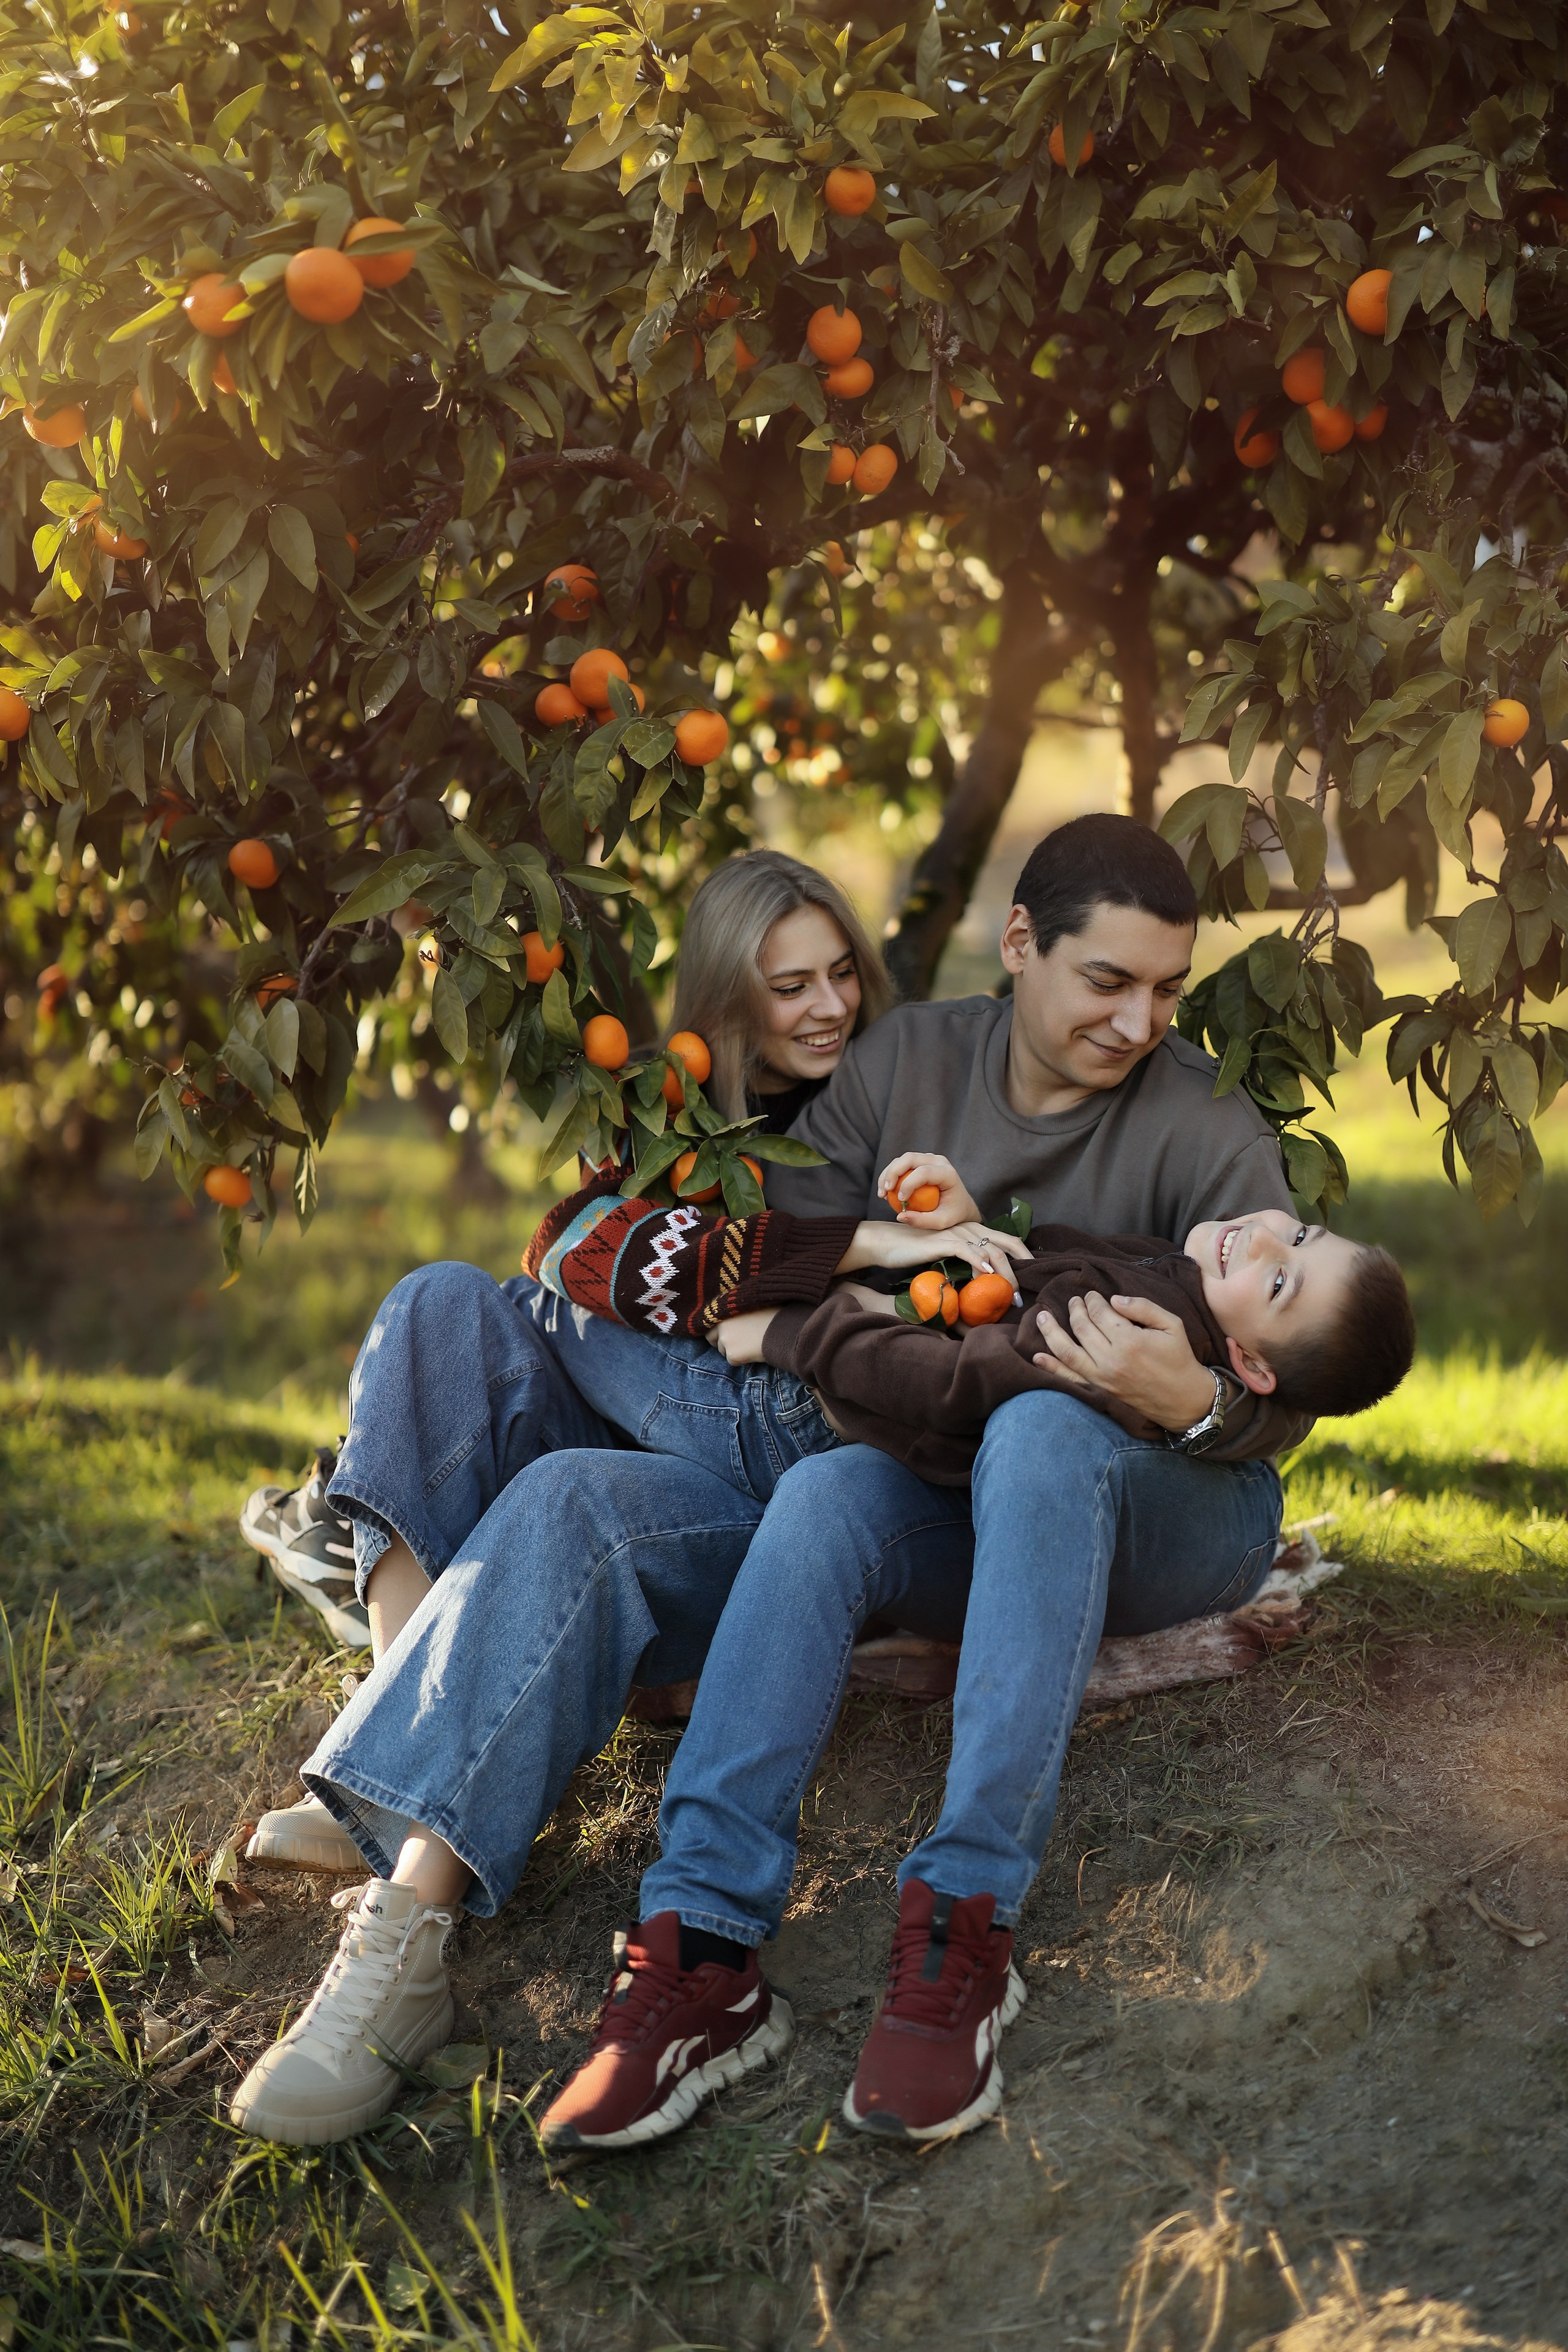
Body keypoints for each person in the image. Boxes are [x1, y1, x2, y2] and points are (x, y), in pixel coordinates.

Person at [227, 815, 1305, 2153]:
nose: (1139, 1020)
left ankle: (432, 1852)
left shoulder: (1117, 1113)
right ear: (1019, 946)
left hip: (986, 1469)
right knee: (481, 1345)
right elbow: (603, 1240)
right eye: (1107, 983)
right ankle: (417, 1876)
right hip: (798, 1454)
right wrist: (842, 1253)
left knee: (643, 1413)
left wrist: (1186, 1400)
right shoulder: (818, 1084)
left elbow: (1277, 1360)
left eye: (1166, 991)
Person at [233, 850, 891, 1877]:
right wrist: (827, 1253)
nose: (830, 1007)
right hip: (648, 1426)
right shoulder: (672, 1106)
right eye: (793, 985)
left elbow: (604, 1272)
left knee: (544, 1324)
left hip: (749, 1517)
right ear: (726, 996)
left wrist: (754, 1266)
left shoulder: (887, 1107)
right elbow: (576, 1248)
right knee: (442, 1300)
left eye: (842, 972)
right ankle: (390, 1735)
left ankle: (402, 1775)